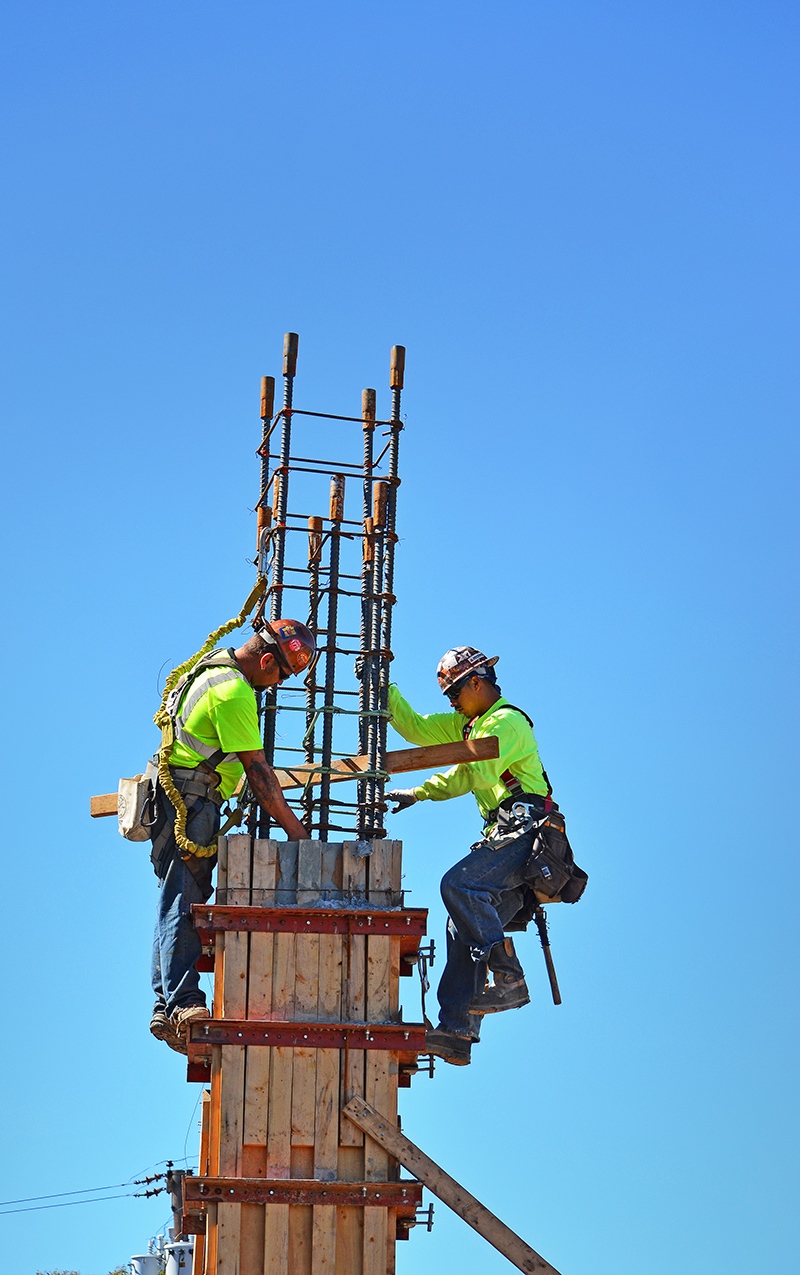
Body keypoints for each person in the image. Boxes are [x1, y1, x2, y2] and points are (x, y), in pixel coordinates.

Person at [149, 619, 315, 1054]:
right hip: (191, 801)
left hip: (178, 795)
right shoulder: (235, 691)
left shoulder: (211, 667)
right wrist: (298, 834)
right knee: (184, 899)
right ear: (265, 660)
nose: (276, 684)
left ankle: (165, 1004)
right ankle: (182, 1001)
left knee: (175, 895)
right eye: (279, 674)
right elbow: (260, 776)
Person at [386, 646, 551, 1067]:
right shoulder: (470, 724)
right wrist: (381, 684)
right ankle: (457, 1029)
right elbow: (416, 729)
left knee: (459, 885)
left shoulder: (507, 722)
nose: (452, 703)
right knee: (461, 922)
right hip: (508, 832)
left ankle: (509, 977)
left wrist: (419, 792)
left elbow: (475, 773)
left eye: (455, 693)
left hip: (529, 833)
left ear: (477, 683)